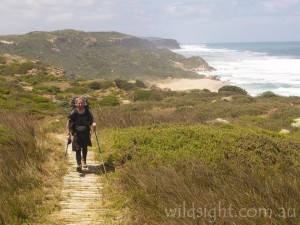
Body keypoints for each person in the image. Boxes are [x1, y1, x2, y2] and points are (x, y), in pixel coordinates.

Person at [66, 97, 96, 172]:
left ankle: (84, 161)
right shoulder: (74, 112)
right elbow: (68, 122)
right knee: (78, 149)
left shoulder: (87, 112)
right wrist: (68, 134)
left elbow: (92, 120)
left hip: (85, 132)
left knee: (85, 147)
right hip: (76, 133)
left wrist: (94, 124)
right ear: (76, 104)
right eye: (78, 103)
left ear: (84, 103)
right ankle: (79, 164)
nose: (80, 104)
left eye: (81, 103)